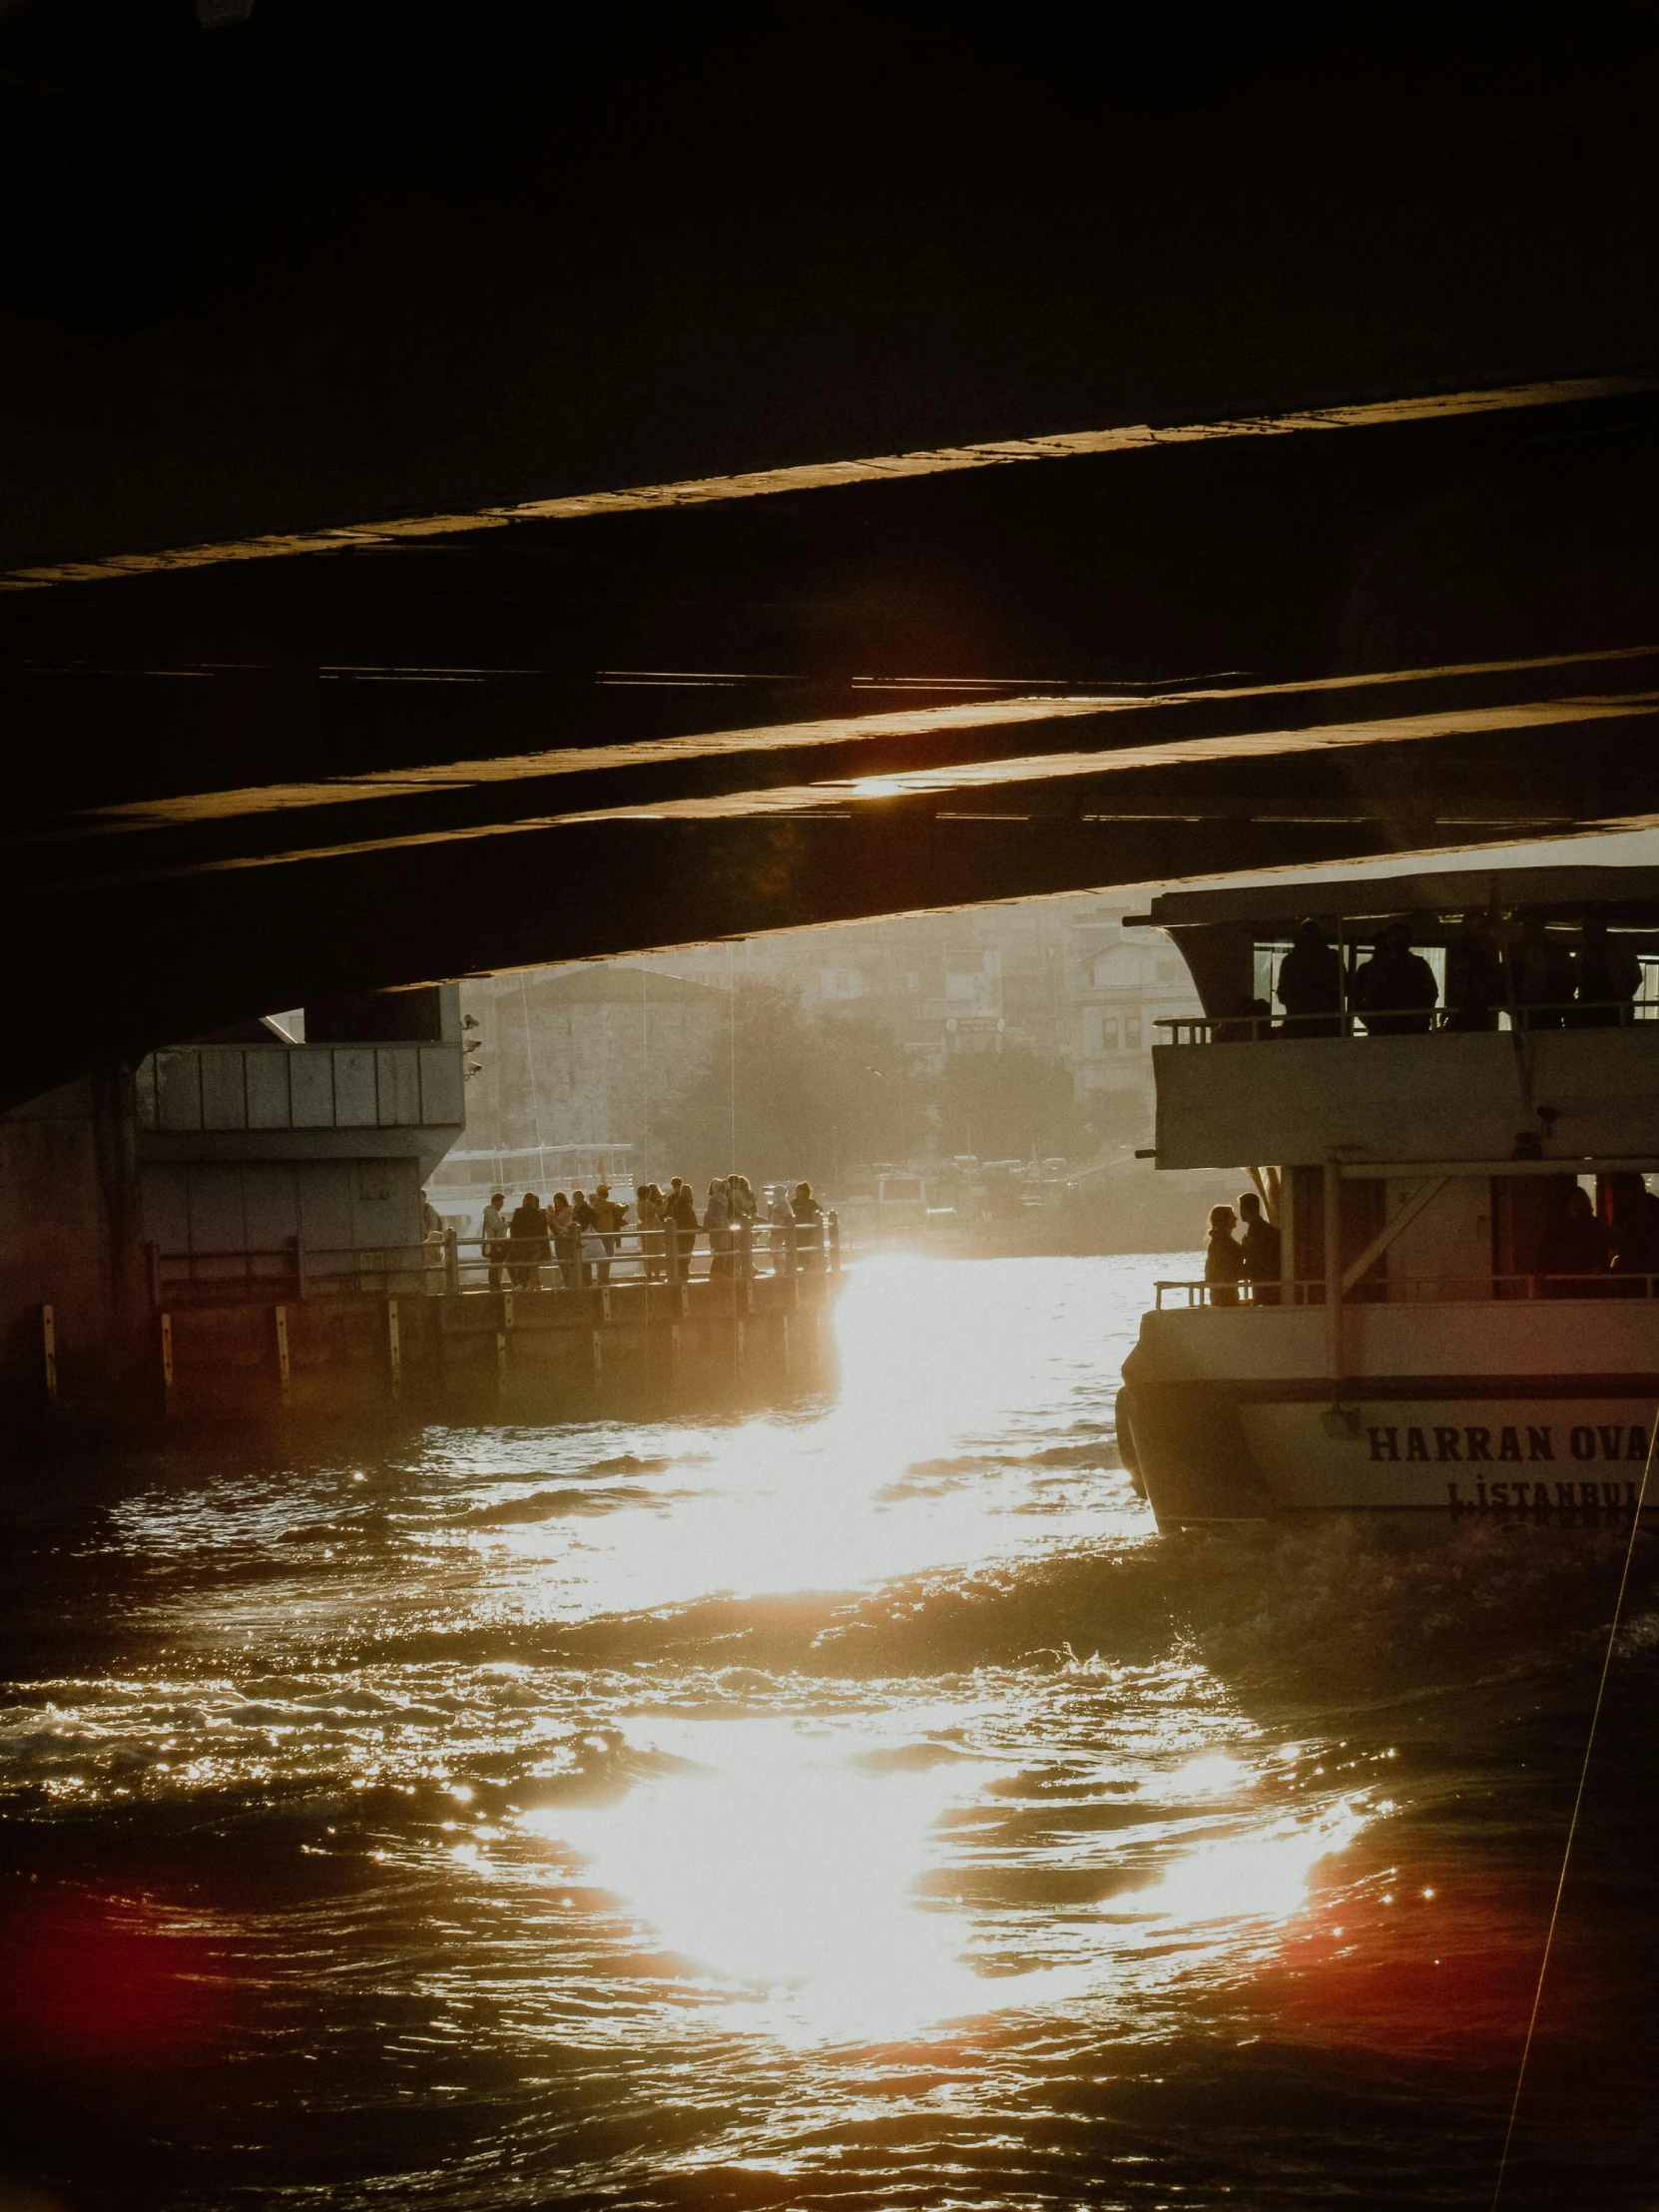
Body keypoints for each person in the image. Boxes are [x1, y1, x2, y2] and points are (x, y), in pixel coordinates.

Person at [1351, 921, 1437, 1036]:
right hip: (1390, 1028)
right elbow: (1356, 998)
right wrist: (1370, 1021)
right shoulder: (1370, 968)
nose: (1398, 945)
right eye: (1395, 940)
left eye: (1402, 940)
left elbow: (1431, 994)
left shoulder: (1418, 966)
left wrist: (1420, 1019)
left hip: (1407, 1028)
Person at [1537, 1185, 1611, 1295]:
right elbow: (1545, 1252)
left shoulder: (1594, 1226)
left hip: (1588, 1284)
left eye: (1580, 1202)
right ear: (1566, 1204)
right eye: (1573, 1202)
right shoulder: (1555, 1228)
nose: (1576, 1206)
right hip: (1561, 1284)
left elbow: (1601, 1251)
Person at [1275, 917, 1343, 1037]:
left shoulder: (1291, 961)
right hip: (1329, 1025)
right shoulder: (1332, 959)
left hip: (1298, 1025)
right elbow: (1344, 988)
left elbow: (1282, 994)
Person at [1572, 913, 1642, 1028]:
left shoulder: (1619, 948)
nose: (1586, 930)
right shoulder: (1582, 951)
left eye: (1591, 926)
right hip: (1589, 1008)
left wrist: (1621, 997)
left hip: (1613, 1008)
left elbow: (1635, 977)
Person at [1506, 912, 1574, 1030]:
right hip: (1523, 1006)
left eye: (1533, 924)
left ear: (1541, 926)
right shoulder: (1515, 951)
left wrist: (1561, 1001)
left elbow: (1567, 978)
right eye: (1527, 924)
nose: (1530, 928)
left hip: (1550, 1006)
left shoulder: (1556, 951)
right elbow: (1509, 978)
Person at [1444, 910, 1504, 1031]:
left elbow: (1493, 977)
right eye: (1472, 924)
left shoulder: (1489, 948)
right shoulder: (1460, 948)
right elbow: (1455, 977)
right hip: (1464, 1005)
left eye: (1479, 925)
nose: (1475, 928)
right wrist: (1452, 1004)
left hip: (1484, 1004)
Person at [1237, 1190, 1282, 1305]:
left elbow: (1256, 1259)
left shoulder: (1255, 1231)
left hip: (1265, 1284)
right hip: (1272, 1282)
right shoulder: (1266, 1229)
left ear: (1247, 1209)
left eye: (1241, 1208)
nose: (1240, 1213)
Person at [1204, 1204, 1245, 1306]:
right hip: (1225, 1295)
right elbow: (1229, 1268)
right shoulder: (1223, 1243)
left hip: (1223, 1293)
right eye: (1232, 1216)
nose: (1236, 1218)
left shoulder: (1219, 1241)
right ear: (1224, 1220)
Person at [510, 1192, 550, 1291]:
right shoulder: (540, 1213)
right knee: (529, 1264)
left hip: (521, 1244)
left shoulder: (518, 1212)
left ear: (524, 1200)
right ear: (533, 1201)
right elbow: (543, 1230)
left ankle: (518, 1283)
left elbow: (513, 1229)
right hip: (535, 1245)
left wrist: (515, 1242)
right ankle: (527, 1284)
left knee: (510, 1262)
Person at [590, 1183, 628, 1285]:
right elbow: (619, 1209)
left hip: (601, 1234)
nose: (607, 1193)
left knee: (603, 1258)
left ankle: (602, 1279)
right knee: (606, 1257)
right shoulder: (605, 1204)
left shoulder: (596, 1204)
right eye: (606, 1192)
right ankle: (603, 1279)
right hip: (606, 1234)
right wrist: (625, 1206)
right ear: (603, 1193)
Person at [668, 1176, 699, 1279]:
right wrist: (695, 1226)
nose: (691, 1195)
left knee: (685, 1256)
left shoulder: (683, 1202)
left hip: (688, 1234)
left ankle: (683, 1275)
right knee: (684, 1256)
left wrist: (696, 1226)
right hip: (684, 1235)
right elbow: (684, 1220)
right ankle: (683, 1276)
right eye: (689, 1193)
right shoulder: (680, 1204)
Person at [635, 1183, 666, 1281]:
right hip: (652, 1229)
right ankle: (656, 1275)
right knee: (656, 1252)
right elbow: (660, 1211)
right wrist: (665, 1202)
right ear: (646, 1193)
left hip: (644, 1229)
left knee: (646, 1252)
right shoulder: (646, 1203)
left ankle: (648, 1273)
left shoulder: (639, 1204)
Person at [549, 1191, 578, 1289]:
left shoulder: (567, 1210)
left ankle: (569, 1282)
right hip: (558, 1237)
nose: (557, 1203)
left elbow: (561, 1222)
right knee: (561, 1260)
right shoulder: (559, 1211)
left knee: (565, 1259)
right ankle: (566, 1282)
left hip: (565, 1237)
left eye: (558, 1201)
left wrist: (552, 1215)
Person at [480, 1190, 509, 1292]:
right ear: (496, 1201)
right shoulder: (491, 1212)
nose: (502, 1205)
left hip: (497, 1242)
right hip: (495, 1243)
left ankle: (495, 1284)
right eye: (501, 1203)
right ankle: (495, 1284)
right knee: (496, 1264)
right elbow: (495, 1226)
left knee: (496, 1264)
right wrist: (507, 1224)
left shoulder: (492, 1212)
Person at [793, 1180, 824, 1269]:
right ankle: (800, 1263)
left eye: (798, 1191)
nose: (796, 1193)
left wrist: (816, 1214)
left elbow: (819, 1210)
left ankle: (807, 1263)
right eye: (796, 1191)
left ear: (804, 1192)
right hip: (797, 1230)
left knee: (807, 1246)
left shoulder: (811, 1202)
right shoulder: (794, 1203)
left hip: (807, 1231)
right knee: (798, 1246)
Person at [705, 1177, 733, 1279]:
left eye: (724, 1187)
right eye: (721, 1187)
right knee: (719, 1252)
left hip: (724, 1226)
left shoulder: (723, 1199)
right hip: (719, 1228)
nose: (724, 1189)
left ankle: (719, 1273)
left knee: (723, 1251)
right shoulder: (714, 1199)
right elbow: (710, 1214)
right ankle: (715, 1273)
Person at [767, 1183, 796, 1274]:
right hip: (776, 1229)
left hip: (779, 1230)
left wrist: (782, 1226)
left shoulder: (782, 1202)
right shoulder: (780, 1201)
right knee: (775, 1249)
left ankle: (786, 1264)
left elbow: (787, 1215)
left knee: (772, 1249)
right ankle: (780, 1267)